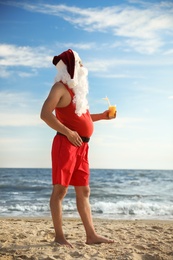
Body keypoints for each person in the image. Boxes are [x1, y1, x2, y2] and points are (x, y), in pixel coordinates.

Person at [40, 49, 116, 247]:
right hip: (66, 144)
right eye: (80, 63)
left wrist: (102, 116)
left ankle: (91, 236)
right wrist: (67, 132)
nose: (83, 67)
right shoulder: (59, 88)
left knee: (84, 191)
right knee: (60, 191)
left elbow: (83, 119)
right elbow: (45, 114)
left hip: (82, 147)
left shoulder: (78, 93)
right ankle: (59, 237)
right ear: (71, 67)